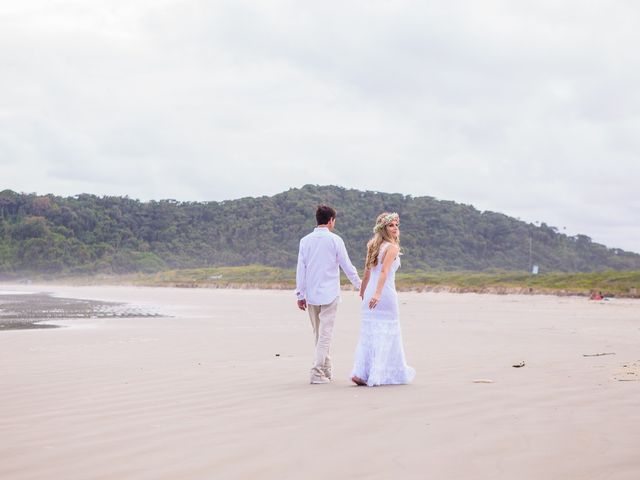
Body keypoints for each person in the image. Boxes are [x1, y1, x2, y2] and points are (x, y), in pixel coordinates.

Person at [296, 205, 362, 384]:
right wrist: (360, 286)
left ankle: (326, 369)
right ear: (331, 220)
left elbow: (301, 269)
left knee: (319, 333)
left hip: (311, 293)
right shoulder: (335, 240)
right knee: (325, 334)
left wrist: (300, 294)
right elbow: (347, 266)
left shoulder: (305, 241)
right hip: (330, 293)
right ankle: (317, 372)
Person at [351, 212, 415, 387]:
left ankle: (363, 373)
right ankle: (375, 373)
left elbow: (368, 272)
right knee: (386, 331)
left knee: (371, 332)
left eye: (396, 225)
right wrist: (376, 293)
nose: (395, 228)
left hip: (371, 292)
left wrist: (364, 291)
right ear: (383, 228)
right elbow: (383, 272)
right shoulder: (391, 248)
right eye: (391, 225)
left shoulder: (373, 245)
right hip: (383, 293)